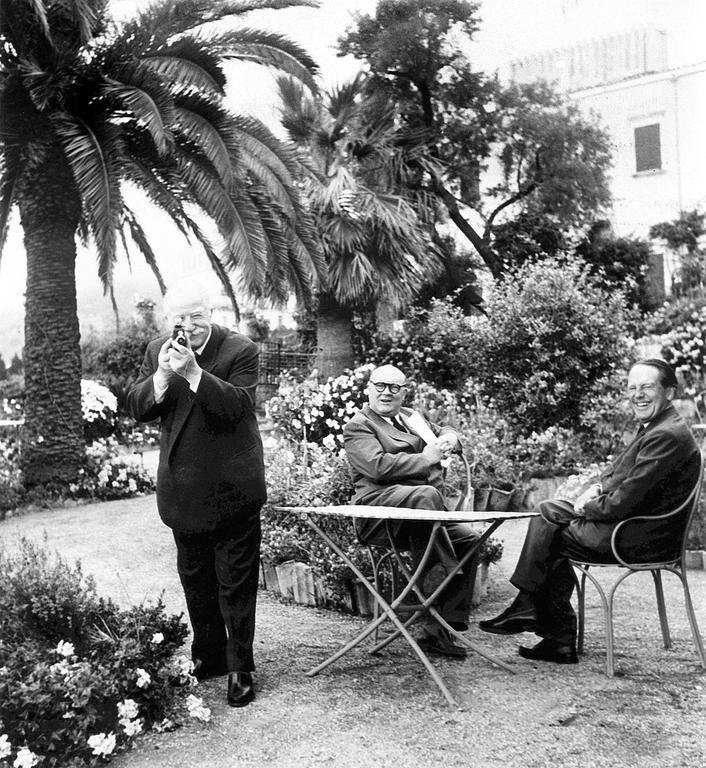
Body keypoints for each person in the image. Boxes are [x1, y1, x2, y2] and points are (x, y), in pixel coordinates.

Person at [479, 359, 700, 664]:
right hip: (635, 526)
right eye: (632, 388)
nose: (638, 394)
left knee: (551, 530)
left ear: (669, 391)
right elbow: (621, 475)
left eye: (647, 386)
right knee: (549, 512)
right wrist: (596, 488)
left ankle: (549, 627)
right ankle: (539, 620)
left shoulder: (666, 435)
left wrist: (587, 507)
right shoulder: (658, 426)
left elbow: (625, 500)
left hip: (638, 536)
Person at [126, 282, 265, 707]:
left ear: (211, 313)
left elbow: (237, 408)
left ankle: (240, 666)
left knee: (236, 583)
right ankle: (209, 655)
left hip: (232, 489)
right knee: (196, 582)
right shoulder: (158, 349)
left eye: (196, 317)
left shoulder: (240, 350)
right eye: (179, 319)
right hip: (182, 489)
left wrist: (193, 374)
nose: (187, 326)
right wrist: (163, 375)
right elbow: (137, 406)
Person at [343, 364, 479, 658]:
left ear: (404, 393)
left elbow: (444, 430)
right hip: (379, 513)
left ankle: (442, 626)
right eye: (380, 385)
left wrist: (451, 438)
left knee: (469, 539)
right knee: (428, 494)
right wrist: (425, 458)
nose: (386, 393)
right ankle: (444, 573)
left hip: (421, 513)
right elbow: (377, 467)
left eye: (394, 387)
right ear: (368, 388)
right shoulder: (360, 425)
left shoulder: (411, 417)